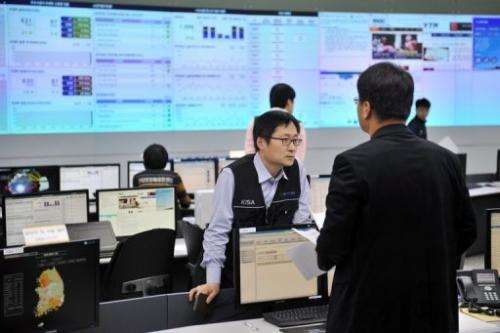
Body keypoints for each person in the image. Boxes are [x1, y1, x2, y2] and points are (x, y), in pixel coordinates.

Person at [316, 63, 476, 333]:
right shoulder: (446, 160)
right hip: (434, 314)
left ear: (366, 108)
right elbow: (468, 231)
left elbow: (332, 248)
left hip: (368, 316)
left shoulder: (351, 164)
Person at [189, 110, 312, 304]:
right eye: (285, 140)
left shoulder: (298, 171)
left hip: (274, 274)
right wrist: (213, 281)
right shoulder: (233, 175)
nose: (292, 148)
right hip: (234, 276)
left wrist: (311, 279)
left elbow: (302, 227)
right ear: (261, 142)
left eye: (296, 141)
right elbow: (217, 232)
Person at [244, 83, 307, 161]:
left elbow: (249, 153)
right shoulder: (296, 124)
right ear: (289, 102)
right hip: (288, 172)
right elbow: (298, 159)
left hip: (256, 171)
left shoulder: (255, 122)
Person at [133, 143, 191, 209]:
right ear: (165, 162)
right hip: (170, 218)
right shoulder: (174, 177)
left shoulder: (137, 178)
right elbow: (185, 203)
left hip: (147, 218)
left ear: (145, 162)